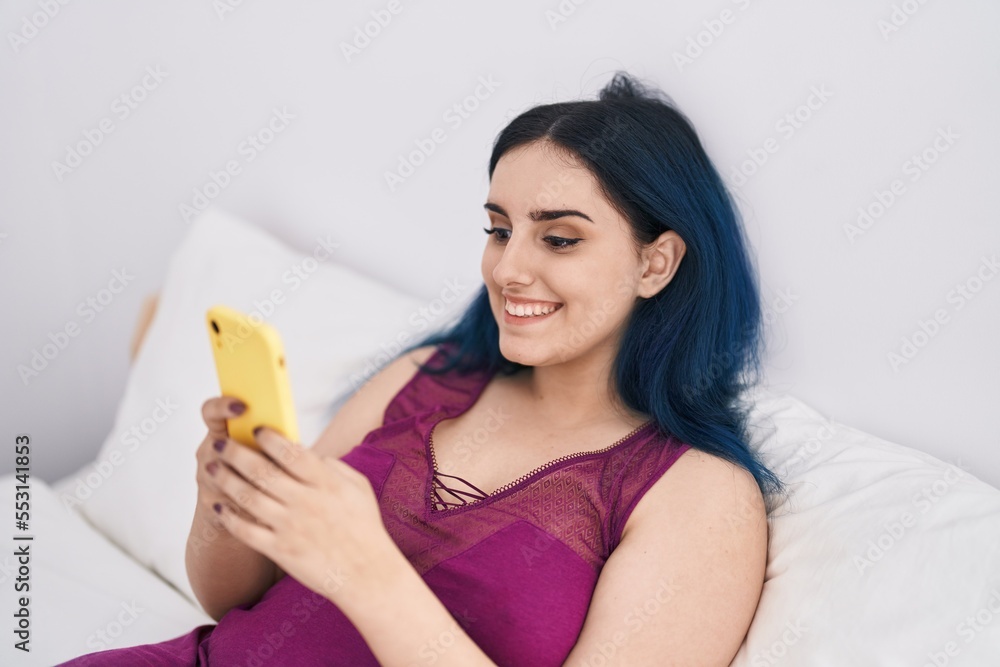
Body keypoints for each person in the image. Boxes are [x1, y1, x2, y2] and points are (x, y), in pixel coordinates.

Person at [58, 71, 787, 666]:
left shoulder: (699, 495)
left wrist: (365, 568)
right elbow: (235, 602)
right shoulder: (426, 377)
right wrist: (225, 501)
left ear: (656, 262)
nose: (509, 268)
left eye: (559, 239)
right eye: (498, 230)